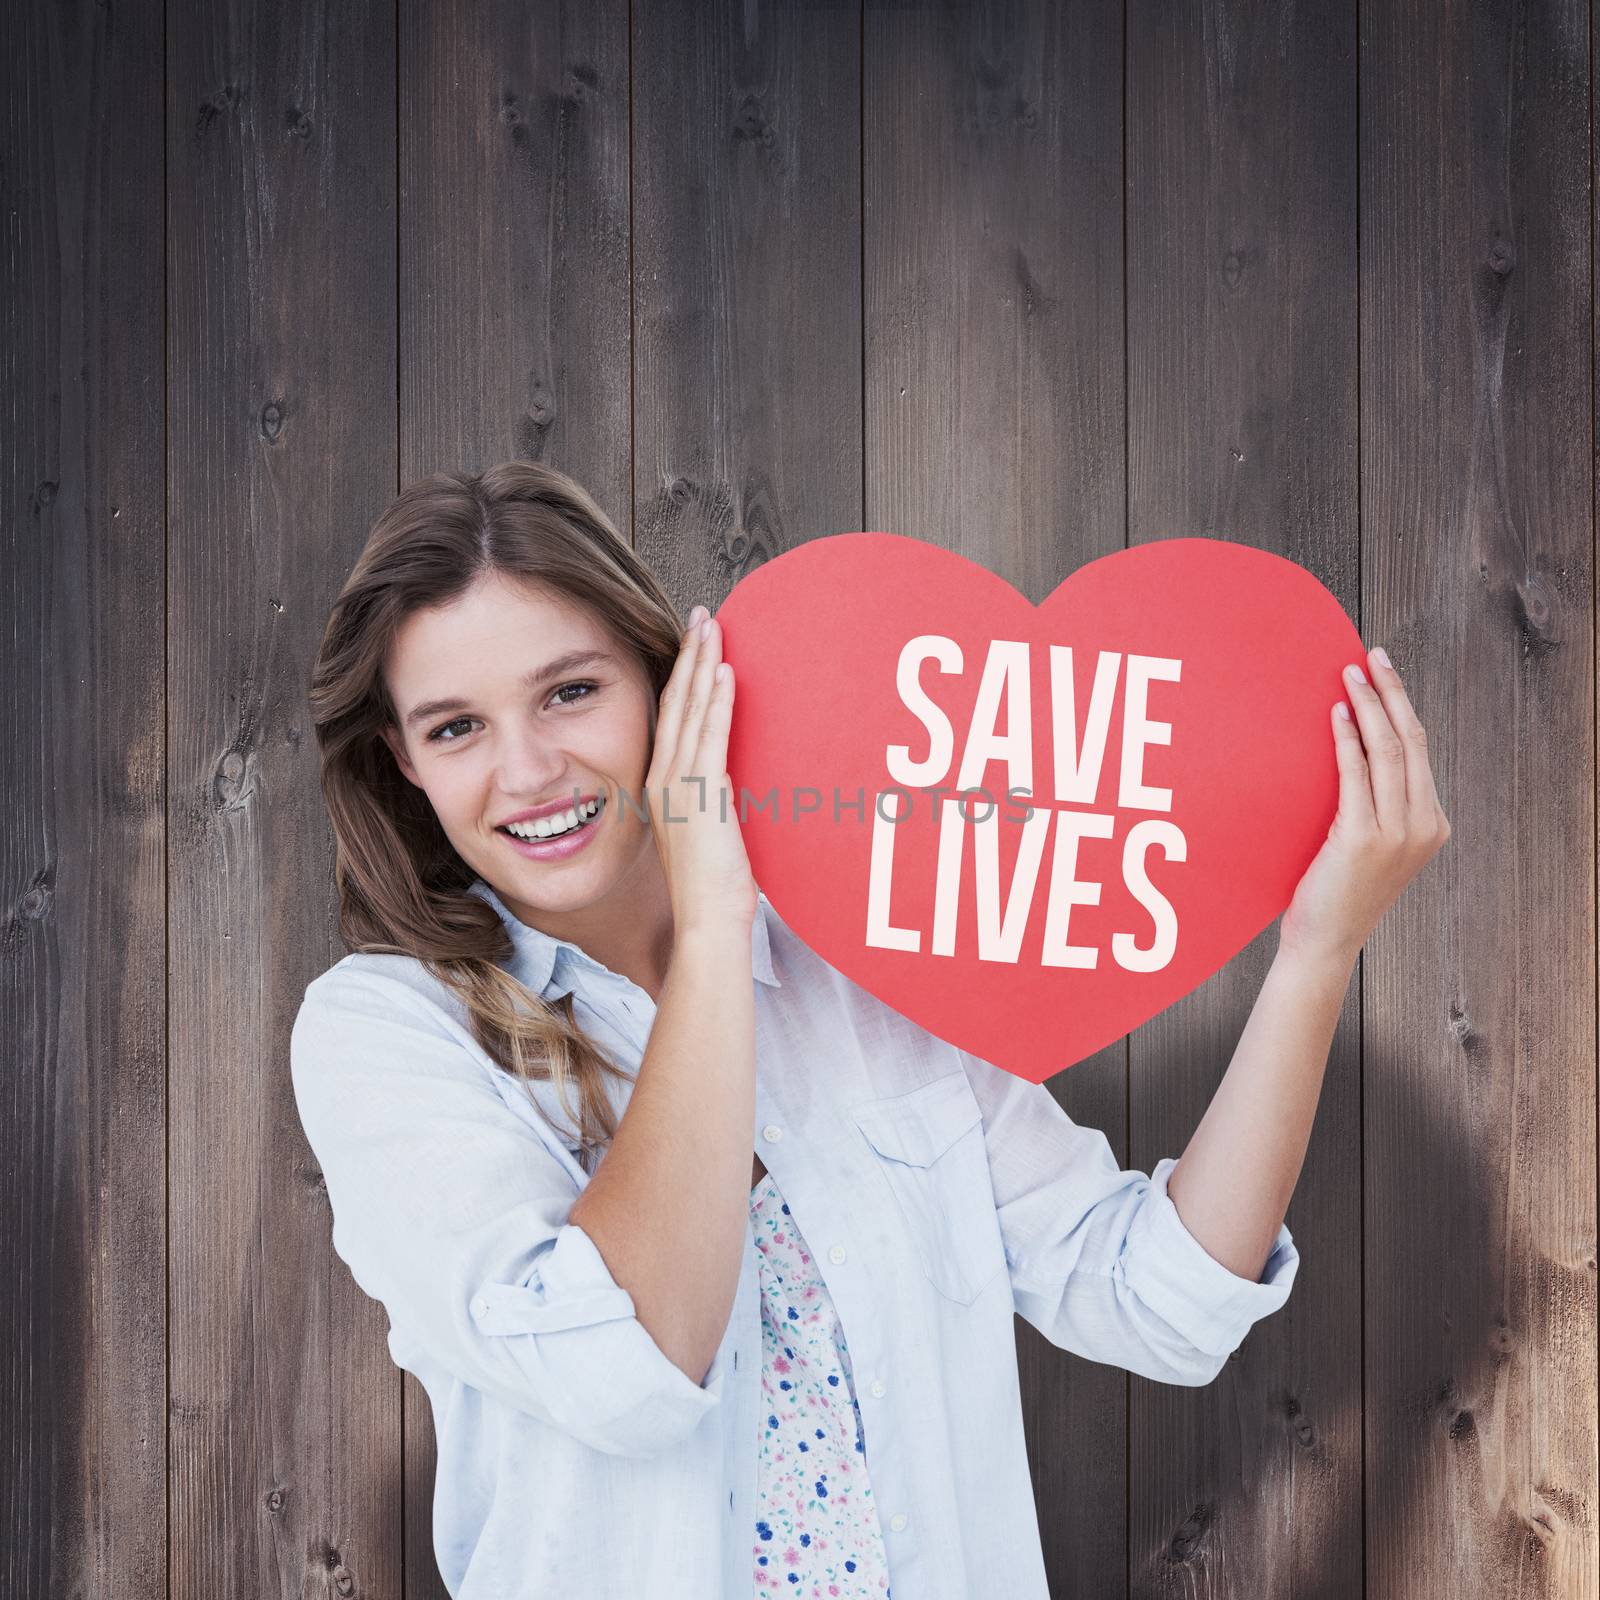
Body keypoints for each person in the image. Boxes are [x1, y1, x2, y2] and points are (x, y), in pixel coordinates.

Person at [290, 460, 1450, 1600]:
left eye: (569, 692)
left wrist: (1315, 952)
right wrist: (712, 930)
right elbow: (629, 1368)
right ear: (404, 764)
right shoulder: (384, 1035)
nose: (530, 770)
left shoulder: (859, 954)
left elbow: (1153, 1300)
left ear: (665, 682)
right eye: (455, 728)